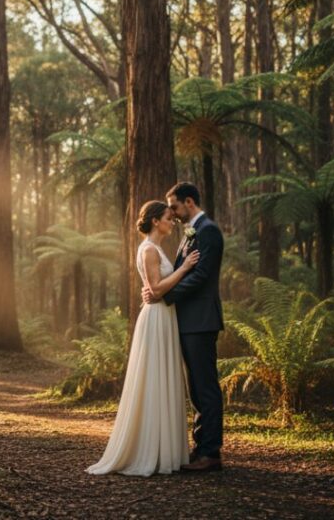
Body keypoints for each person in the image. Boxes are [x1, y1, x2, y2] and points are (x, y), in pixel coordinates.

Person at [86, 200, 198, 476]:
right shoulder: (148, 249)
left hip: (165, 317)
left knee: (163, 377)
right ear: (155, 221)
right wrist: (184, 270)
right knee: (154, 378)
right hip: (157, 317)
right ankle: (149, 450)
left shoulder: (157, 248)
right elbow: (156, 290)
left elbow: (154, 288)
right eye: (167, 218)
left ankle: (164, 449)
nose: (172, 222)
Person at [143, 182, 225, 472]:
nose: (174, 215)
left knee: (205, 386)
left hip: (201, 321)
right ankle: (201, 446)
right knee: (196, 388)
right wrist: (162, 292)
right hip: (188, 321)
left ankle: (211, 452)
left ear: (189, 202)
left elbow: (201, 276)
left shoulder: (209, 231)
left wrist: (164, 295)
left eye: (175, 207)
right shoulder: (191, 233)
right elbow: (182, 273)